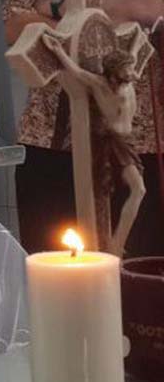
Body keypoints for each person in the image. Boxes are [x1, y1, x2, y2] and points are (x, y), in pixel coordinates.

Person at [2, 0, 164, 255]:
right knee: (51, 265)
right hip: (49, 139)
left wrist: (55, 6)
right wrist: (113, 11)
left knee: (137, 268)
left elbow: (150, 8)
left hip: (137, 140)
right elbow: (13, 24)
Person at [42, 35, 145, 256]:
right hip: (114, 142)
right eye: (127, 69)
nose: (132, 72)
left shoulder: (129, 79)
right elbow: (77, 73)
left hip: (128, 141)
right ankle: (117, 245)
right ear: (115, 71)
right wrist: (58, 50)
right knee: (138, 189)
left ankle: (117, 243)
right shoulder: (101, 85)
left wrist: (137, 40)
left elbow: (133, 57)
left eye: (130, 68)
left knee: (138, 190)